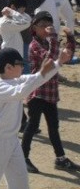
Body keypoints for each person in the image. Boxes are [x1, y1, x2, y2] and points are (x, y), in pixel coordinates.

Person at [0, 47, 71, 189]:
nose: (23, 67)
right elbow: (21, 92)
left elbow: (36, 80)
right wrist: (41, 73)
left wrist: (59, 62)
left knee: (20, 182)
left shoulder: (17, 80)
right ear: (8, 67)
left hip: (12, 140)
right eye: (20, 65)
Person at [21, 11, 79, 173]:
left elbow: (66, 56)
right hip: (38, 92)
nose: (47, 28)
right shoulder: (35, 45)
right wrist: (54, 37)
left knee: (53, 127)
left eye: (49, 25)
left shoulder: (48, 43)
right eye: (43, 26)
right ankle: (22, 157)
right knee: (32, 126)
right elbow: (50, 58)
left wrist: (70, 38)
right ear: (34, 28)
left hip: (50, 93)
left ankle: (60, 159)